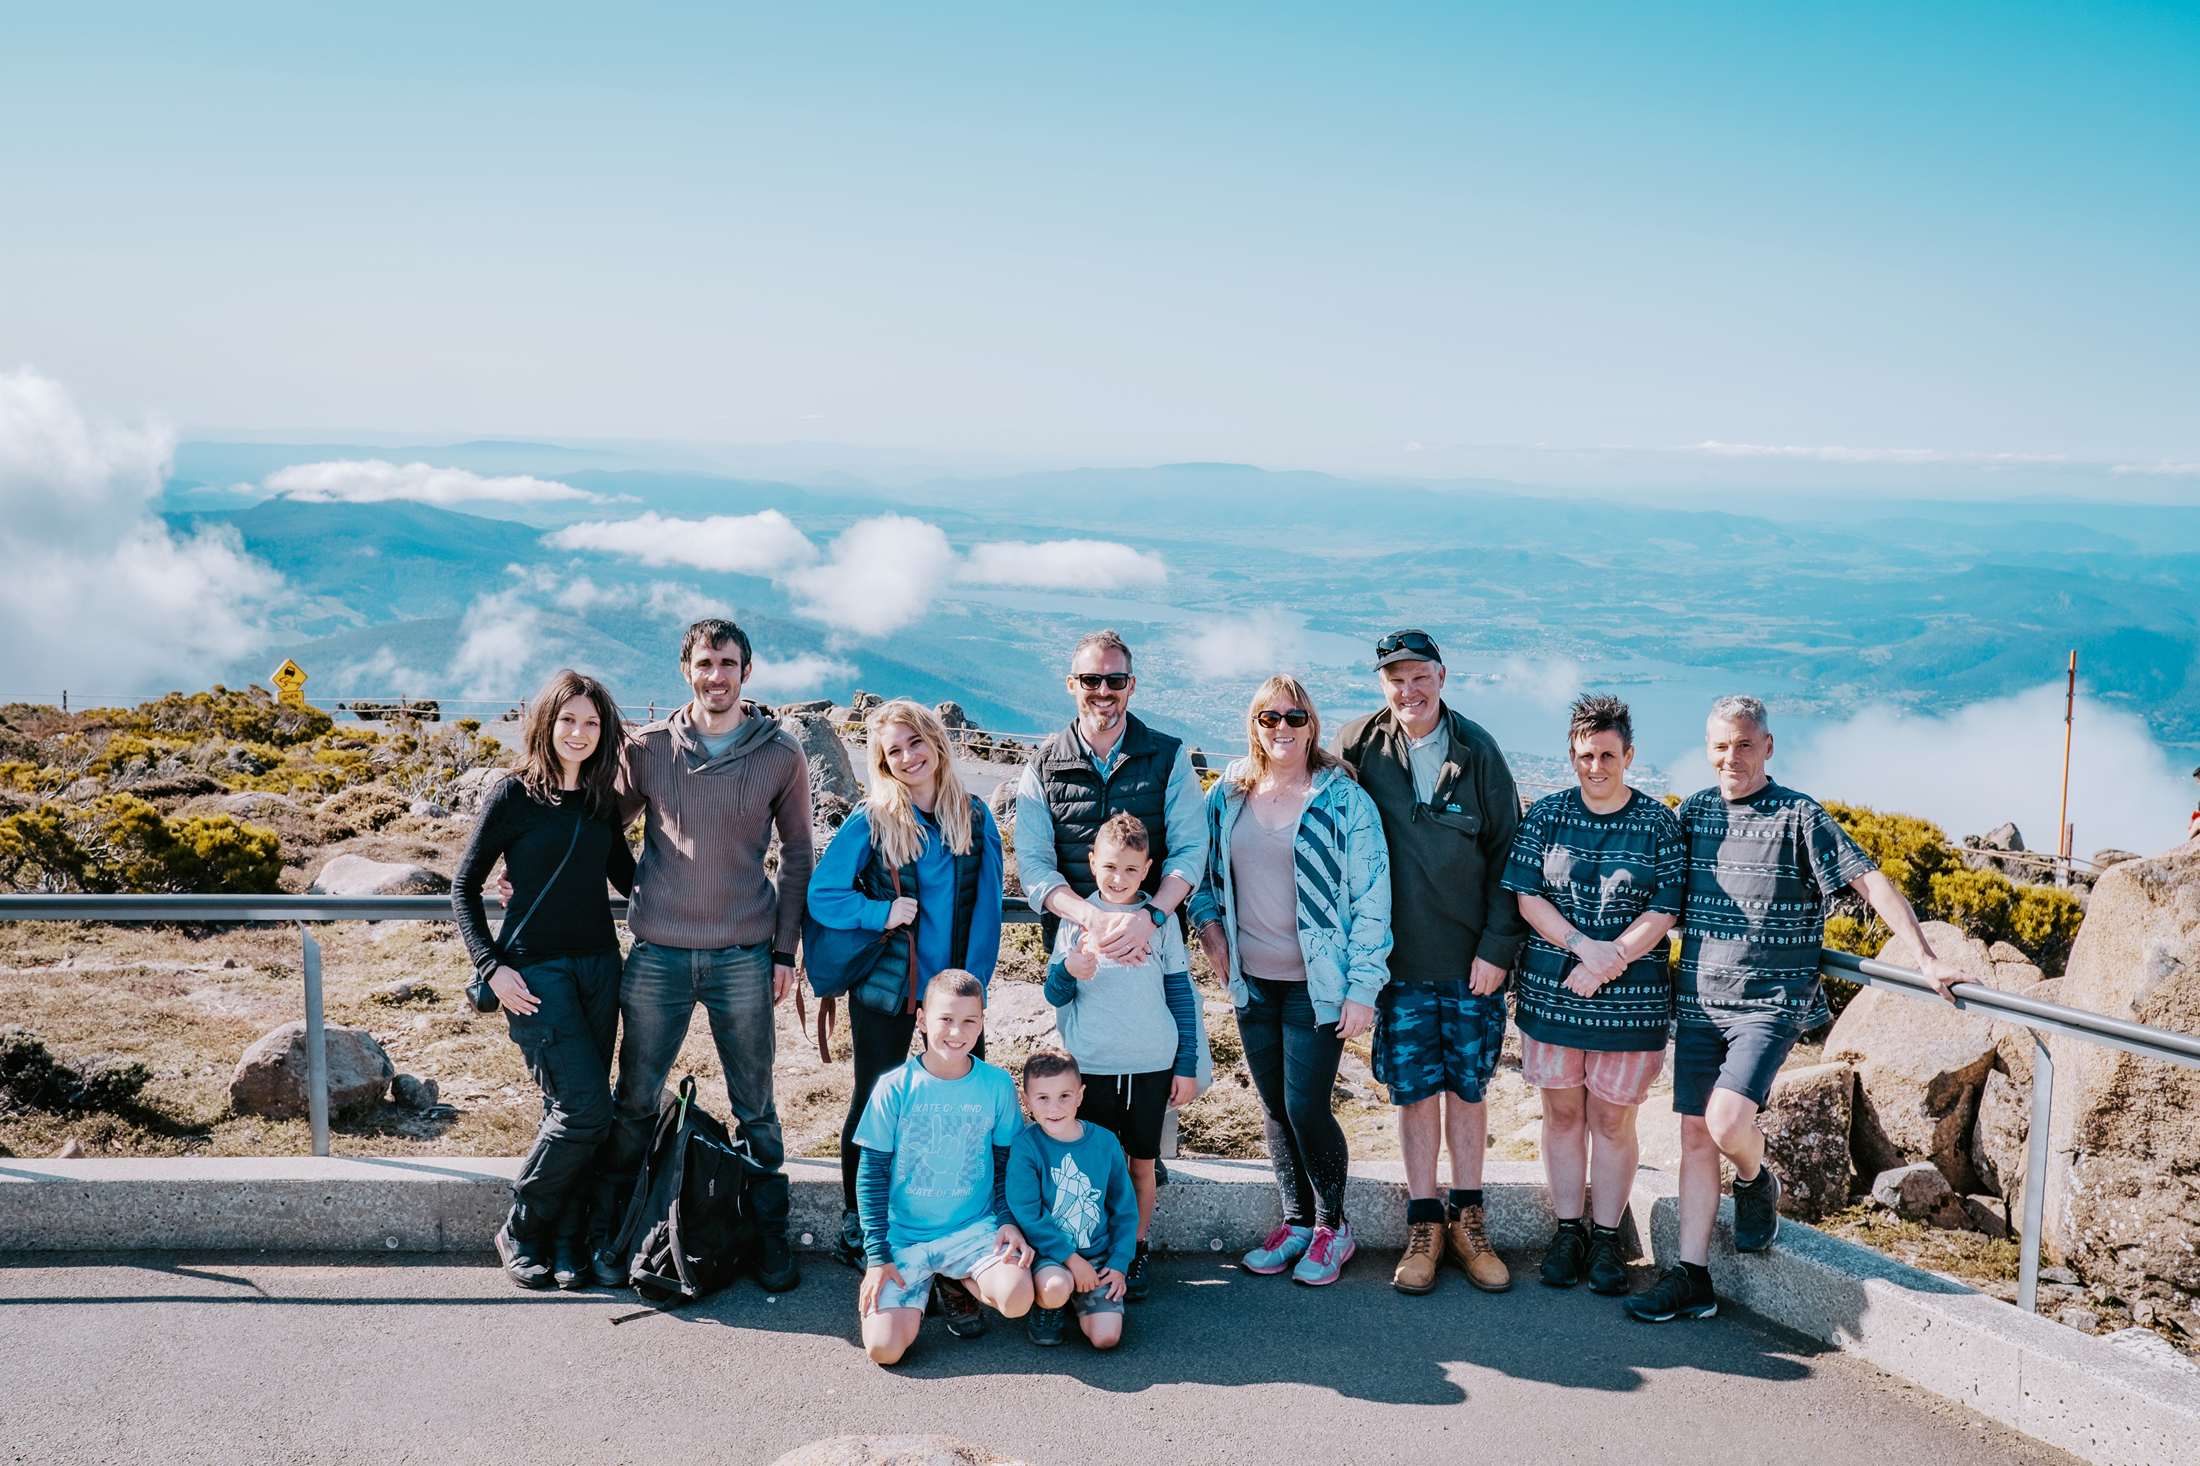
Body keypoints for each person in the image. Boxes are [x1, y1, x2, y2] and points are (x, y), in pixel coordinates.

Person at [1628, 694, 1962, 1323]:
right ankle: (1692, 1278)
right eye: (1721, 745)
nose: (1732, 756)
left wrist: (1924, 957)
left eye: (1745, 744)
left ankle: (1756, 1180)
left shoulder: (1799, 816)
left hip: (1769, 1004)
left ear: (1768, 746)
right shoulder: (1693, 813)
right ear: (1708, 748)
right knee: (1695, 1137)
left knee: (1727, 1125)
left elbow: (1869, 880)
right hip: (1699, 1001)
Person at [607, 618, 815, 1293]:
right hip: (658, 954)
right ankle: (619, 1232)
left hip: (744, 956)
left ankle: (768, 1238)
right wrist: (633, 883)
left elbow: (799, 857)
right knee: (635, 1099)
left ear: (746, 673)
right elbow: (597, 828)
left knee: (756, 1105)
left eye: (728, 663)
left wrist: (784, 949)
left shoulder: (780, 755)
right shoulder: (648, 750)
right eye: (705, 662)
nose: (716, 675)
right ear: (685, 669)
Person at [1335, 629, 1527, 1296]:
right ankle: (1426, 1226)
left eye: (1419, 676)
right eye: (1395, 678)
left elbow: (1510, 853)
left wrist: (1498, 949)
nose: (1408, 689)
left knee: (1467, 1092)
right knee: (1415, 1094)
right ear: (1381, 682)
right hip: (1396, 965)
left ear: (1442, 676)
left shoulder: (1478, 751)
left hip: (1472, 961)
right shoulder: (1358, 744)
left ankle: (1470, 1221)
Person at [1192, 676, 1392, 1286]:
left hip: (1318, 984)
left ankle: (1335, 1227)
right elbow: (1202, 877)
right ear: (1254, 725)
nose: (1282, 727)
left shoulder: (1343, 802)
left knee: (1306, 1105)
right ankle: (1296, 1222)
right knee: (1275, 1105)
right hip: (1253, 981)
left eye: (1295, 717)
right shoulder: (1228, 794)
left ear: (1312, 724)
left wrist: (1363, 989)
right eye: (1269, 717)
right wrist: (1210, 931)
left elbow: (1372, 900)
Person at [807, 699, 1004, 1279]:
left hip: (956, 1002)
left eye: (915, 743)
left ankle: (963, 1221)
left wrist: (972, 996)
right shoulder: (872, 819)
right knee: (874, 1104)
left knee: (967, 1111)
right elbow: (824, 895)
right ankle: (856, 1219)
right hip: (888, 993)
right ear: (882, 762)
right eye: (893, 751)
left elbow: (988, 914)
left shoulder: (975, 816)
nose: (908, 757)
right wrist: (880, 912)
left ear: (936, 742)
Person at [453, 670, 635, 1290]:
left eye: (591, 722)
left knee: (572, 1108)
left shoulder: (603, 800)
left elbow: (632, 881)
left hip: (599, 967)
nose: (579, 733)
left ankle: (566, 1240)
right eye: (568, 720)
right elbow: (464, 888)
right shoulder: (512, 795)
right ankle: (523, 1227)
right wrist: (492, 966)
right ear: (546, 724)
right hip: (535, 974)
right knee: (586, 1109)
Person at [1501, 694, 1684, 1296]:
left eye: (1608, 754)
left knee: (1612, 1120)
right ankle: (1568, 1229)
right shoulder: (1547, 815)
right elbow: (1528, 898)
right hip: (1554, 1001)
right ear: (1572, 756)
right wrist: (1586, 948)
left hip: (1630, 1009)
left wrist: (1609, 962)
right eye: (1585, 755)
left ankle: (1606, 1237)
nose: (1596, 766)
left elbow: (1664, 909)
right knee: (1561, 1114)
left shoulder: (1658, 823)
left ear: (1628, 755)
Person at [1044, 812, 1201, 1300]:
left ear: (1148, 868)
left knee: (1142, 1165)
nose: (1119, 878)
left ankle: (1133, 1250)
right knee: (1093, 1165)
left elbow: (1181, 995)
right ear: (1092, 864)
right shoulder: (1075, 923)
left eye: (1131, 870)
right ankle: (1092, 1249)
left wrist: (1187, 1064)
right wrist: (1070, 969)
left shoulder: (1161, 923)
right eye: (1110, 867)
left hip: (1153, 1065)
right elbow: (1054, 994)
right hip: (1092, 1067)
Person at [854, 969, 1035, 1366]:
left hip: (972, 1229)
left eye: (970, 1020)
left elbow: (1007, 1165)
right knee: (884, 1350)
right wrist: (877, 1256)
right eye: (946, 1019)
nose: (957, 1031)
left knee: (1018, 1297)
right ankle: (922, 1281)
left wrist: (1008, 1221)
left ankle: (954, 1278)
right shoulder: (894, 1086)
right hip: (905, 1239)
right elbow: (870, 1176)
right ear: (921, 1020)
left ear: (983, 1022)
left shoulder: (996, 1084)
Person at [1015, 627, 1209, 968]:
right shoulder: (1042, 769)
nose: (1103, 690)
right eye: (1090, 680)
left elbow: (1190, 850)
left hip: (1155, 950)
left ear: (1130, 686)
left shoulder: (1170, 758)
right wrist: (1092, 918)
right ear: (1072, 684)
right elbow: (1035, 865)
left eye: (1115, 680)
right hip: (1076, 952)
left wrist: (1148, 918)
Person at [1008, 1050, 1138, 1348]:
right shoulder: (1027, 1148)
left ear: (1080, 1096)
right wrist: (1072, 1260)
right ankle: (1049, 1304)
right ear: (1026, 1101)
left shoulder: (1105, 1142)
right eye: (1042, 1098)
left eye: (1064, 1096)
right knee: (1056, 1287)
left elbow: (1124, 1209)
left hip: (1099, 1256)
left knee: (1106, 1338)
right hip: (1051, 1256)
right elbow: (1029, 1214)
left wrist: (1119, 1263)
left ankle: (1081, 1294)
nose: (1054, 1108)